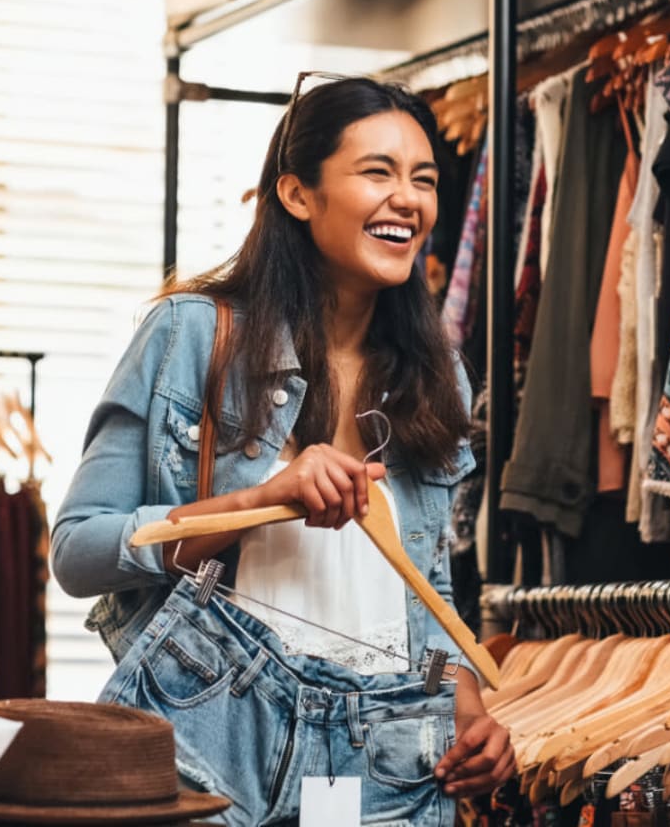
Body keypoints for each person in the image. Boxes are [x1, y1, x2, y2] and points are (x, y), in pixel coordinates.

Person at [51, 76, 515, 826]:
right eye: (378, 172)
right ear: (298, 194)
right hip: (210, 736)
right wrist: (260, 501)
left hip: (386, 755)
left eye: (424, 180)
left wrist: (468, 712)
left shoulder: (437, 376)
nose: (408, 199)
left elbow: (427, 593)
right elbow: (77, 551)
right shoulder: (191, 336)